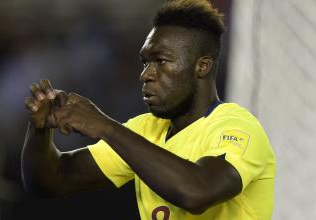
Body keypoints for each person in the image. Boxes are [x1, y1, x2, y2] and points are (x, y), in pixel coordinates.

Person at [22, 0, 276, 219]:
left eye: (161, 61)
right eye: (145, 62)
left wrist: (105, 127)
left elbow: (198, 192)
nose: (145, 75)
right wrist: (39, 129)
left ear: (202, 67)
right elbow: (52, 181)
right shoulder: (144, 130)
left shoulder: (237, 127)